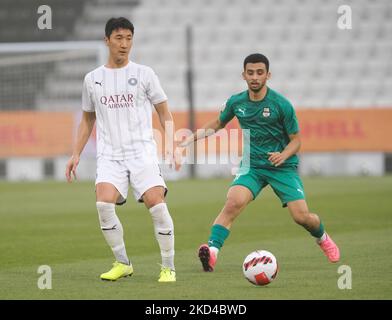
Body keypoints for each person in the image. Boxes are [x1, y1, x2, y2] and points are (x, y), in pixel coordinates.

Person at [178, 53, 340, 272]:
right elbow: (217, 123)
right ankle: (212, 252)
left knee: (301, 217)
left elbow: (296, 141)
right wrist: (190, 138)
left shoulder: (281, 105)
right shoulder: (236, 102)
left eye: (260, 73)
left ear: (268, 75)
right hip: (252, 165)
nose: (255, 77)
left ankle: (323, 238)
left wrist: (283, 154)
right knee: (233, 202)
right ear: (244, 75)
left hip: (282, 166)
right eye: (250, 73)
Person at [65, 17, 180, 282]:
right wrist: (76, 154)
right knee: (103, 204)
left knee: (157, 205)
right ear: (107, 41)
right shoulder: (92, 79)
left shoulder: (145, 74)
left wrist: (171, 143)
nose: (124, 44)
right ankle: (123, 263)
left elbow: (164, 113)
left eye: (129, 38)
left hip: (142, 153)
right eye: (118, 38)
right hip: (110, 156)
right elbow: (87, 120)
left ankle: (168, 267)